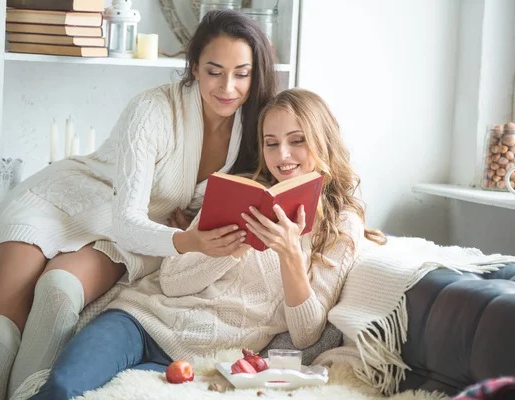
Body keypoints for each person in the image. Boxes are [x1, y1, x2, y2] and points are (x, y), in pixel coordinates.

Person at [0, 10, 277, 400]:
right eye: (214, 70)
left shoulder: (254, 130)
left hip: (138, 231)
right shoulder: (153, 109)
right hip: (61, 202)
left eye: (242, 73)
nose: (228, 86)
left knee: (59, 293)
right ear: (193, 67)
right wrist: (188, 240)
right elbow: (128, 220)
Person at [29, 88, 387, 399]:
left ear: (322, 141)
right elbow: (171, 283)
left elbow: (307, 333)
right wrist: (231, 247)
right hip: (140, 322)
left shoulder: (341, 224)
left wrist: (291, 257)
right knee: (61, 388)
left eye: (297, 140)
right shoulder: (241, 193)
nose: (283, 156)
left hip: (210, 356)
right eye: (271, 143)